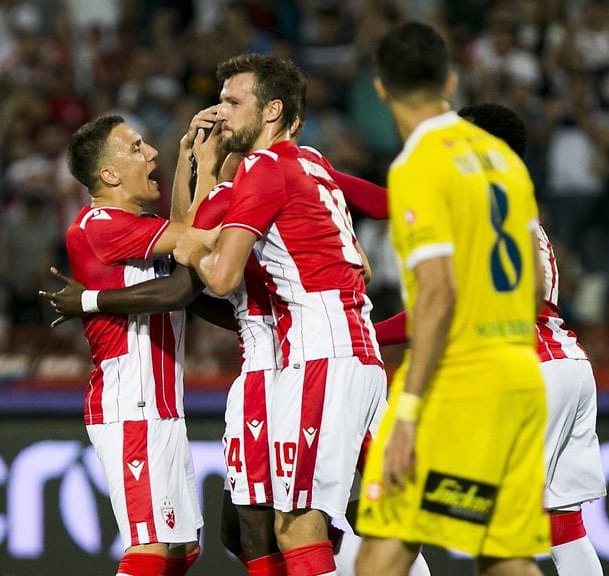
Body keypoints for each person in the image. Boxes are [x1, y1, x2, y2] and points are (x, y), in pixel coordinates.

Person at [362, 101, 608, 576]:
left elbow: (444, 303)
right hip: (570, 366)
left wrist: (370, 334)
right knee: (562, 522)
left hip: (528, 370)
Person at [174, 54, 386, 576]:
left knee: (296, 523)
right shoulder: (307, 162)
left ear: (271, 111)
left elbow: (216, 275)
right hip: (326, 347)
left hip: (315, 351)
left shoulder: (266, 170)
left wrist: (187, 246)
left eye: (231, 101)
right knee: (271, 523)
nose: (219, 113)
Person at [354, 22, 550, 576]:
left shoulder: (419, 164)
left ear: (381, 89)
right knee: (506, 559)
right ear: (451, 79)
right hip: (520, 379)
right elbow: (536, 283)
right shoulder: (505, 162)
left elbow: (438, 293)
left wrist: (411, 410)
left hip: (458, 384)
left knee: (383, 549)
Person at [62, 115, 202, 576]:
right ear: (109, 175)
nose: (151, 154)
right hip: (130, 402)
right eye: (137, 147)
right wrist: (214, 175)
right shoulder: (100, 223)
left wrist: (187, 160)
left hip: (161, 406)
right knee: (149, 550)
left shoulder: (141, 230)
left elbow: (185, 242)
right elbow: (191, 249)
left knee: (181, 551)